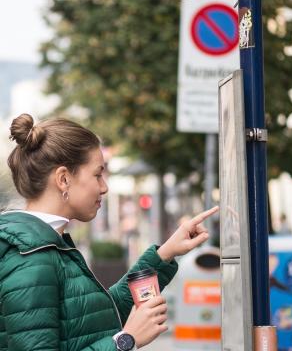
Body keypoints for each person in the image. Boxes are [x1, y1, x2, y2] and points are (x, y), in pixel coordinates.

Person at [0, 113, 219, 351]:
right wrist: (125, 340)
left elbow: (100, 314)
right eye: (97, 174)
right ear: (63, 179)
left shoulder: (46, 245)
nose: (104, 187)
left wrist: (165, 253)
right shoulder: (31, 257)